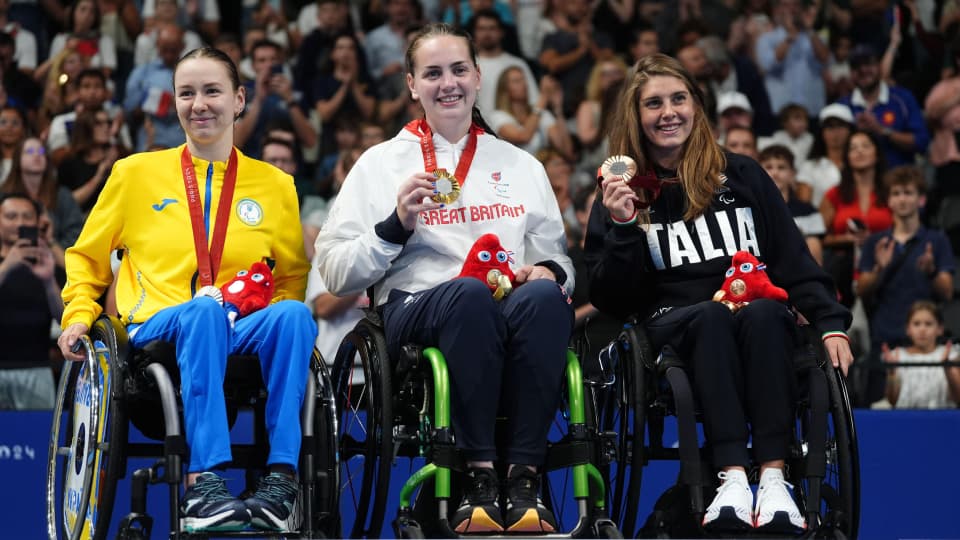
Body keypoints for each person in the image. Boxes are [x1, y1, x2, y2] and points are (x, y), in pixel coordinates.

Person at [315, 23, 574, 534]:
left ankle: (524, 478)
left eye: (459, 70)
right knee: (468, 295)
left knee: (544, 299)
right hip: (416, 308)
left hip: (505, 304)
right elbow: (336, 270)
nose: (448, 83)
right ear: (412, 84)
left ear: (478, 77)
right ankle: (479, 476)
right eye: (432, 73)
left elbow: (556, 260)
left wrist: (547, 271)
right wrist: (395, 227)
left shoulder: (521, 164)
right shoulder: (379, 164)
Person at [583, 53, 853, 534]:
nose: (668, 112)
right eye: (653, 103)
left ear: (696, 106)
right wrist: (624, 228)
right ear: (636, 116)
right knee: (710, 316)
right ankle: (730, 477)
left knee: (769, 313)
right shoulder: (620, 188)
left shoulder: (745, 175)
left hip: (755, 318)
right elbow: (611, 298)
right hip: (675, 324)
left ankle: (772, 480)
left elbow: (793, 259)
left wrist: (831, 323)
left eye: (678, 99)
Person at [56, 47, 316, 533]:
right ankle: (206, 483)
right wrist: (77, 313)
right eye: (186, 93)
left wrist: (270, 313)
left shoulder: (276, 185)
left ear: (239, 100)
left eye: (212, 91)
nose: (199, 104)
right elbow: (86, 257)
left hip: (238, 326)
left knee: (295, 317)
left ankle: (282, 480)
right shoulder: (134, 174)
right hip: (158, 327)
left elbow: (289, 277)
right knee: (201, 312)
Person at [856, 166, 954, 406]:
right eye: (897, 193)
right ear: (889, 200)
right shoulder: (875, 242)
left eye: (908, 193)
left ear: (920, 199)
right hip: (885, 338)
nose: (902, 199)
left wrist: (931, 271)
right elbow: (861, 290)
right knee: (882, 415)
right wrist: (879, 268)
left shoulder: (936, 240)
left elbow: (947, 291)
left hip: (925, 343)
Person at [819, 129, 892, 308]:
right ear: (847, 157)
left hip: (886, 266)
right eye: (853, 148)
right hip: (844, 270)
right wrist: (846, 239)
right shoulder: (834, 195)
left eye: (865, 146)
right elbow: (819, 237)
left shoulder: (892, 192)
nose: (859, 151)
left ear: (877, 154)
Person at [0, 192, 60, 410]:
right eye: (11, 216)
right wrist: (7, 266)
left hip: (38, 368)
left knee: (40, 440)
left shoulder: (48, 261)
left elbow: (66, 319)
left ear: (38, 222)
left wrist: (49, 281)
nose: (19, 223)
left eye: (27, 217)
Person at [836, 44, 929, 168]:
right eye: (856, 66)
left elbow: (921, 142)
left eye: (868, 64)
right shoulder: (843, 106)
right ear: (851, 73)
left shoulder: (902, 99)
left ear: (880, 67)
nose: (863, 70)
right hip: (859, 181)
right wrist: (854, 131)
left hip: (898, 177)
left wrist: (882, 130)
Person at [881, 301, 960, 409]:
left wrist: (948, 370)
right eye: (916, 324)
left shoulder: (949, 355)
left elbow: (958, 397)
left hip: (941, 419)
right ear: (908, 329)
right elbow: (892, 400)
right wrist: (892, 372)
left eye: (928, 324)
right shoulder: (897, 356)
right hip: (907, 419)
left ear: (940, 329)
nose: (922, 330)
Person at [759, 144, 825, 264]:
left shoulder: (809, 211)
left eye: (781, 167)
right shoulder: (752, 209)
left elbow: (815, 252)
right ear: (759, 172)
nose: (775, 173)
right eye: (768, 167)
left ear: (793, 173)